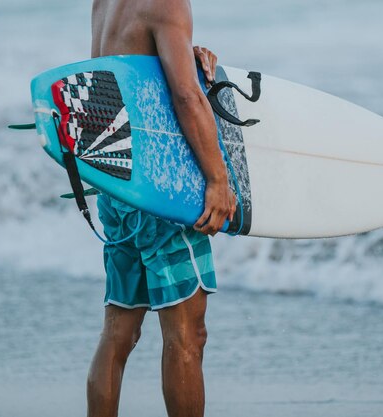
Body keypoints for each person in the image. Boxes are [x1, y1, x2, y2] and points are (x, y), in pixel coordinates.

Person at [87, 0, 236, 416]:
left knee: (118, 332)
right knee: (188, 336)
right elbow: (187, 97)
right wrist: (218, 180)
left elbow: (120, 77)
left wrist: (180, 54)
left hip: (117, 185)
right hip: (161, 187)